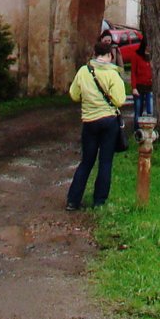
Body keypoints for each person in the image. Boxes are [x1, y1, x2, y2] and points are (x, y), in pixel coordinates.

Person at [66, 34, 129, 211]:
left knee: (86, 161)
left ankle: (73, 200)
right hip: (109, 122)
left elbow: (74, 95)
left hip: (89, 121)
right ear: (109, 56)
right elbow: (119, 100)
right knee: (105, 162)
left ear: (94, 54)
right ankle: (99, 201)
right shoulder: (112, 74)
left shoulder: (83, 72)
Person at [119, 37, 154, 123]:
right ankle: (137, 131)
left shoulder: (151, 57)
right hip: (139, 87)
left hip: (149, 87)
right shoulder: (136, 56)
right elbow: (133, 73)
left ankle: (149, 129)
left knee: (150, 110)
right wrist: (134, 87)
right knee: (138, 110)